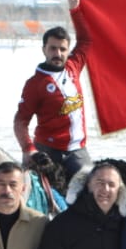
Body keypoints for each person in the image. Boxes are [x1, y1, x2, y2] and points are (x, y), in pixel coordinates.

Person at [14, 23, 91, 183]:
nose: (58, 53)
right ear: (44, 50)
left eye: (62, 49)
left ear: (68, 50)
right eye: (53, 48)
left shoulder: (73, 67)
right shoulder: (35, 84)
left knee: (92, 190)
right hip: (47, 151)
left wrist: (74, 9)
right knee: (39, 196)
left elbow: (86, 40)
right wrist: (28, 149)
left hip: (77, 151)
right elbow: (20, 121)